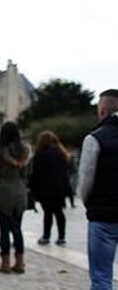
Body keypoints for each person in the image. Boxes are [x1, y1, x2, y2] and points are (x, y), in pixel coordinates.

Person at [78, 89, 118, 290]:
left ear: (102, 111)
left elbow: (85, 181)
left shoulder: (95, 139)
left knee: (101, 276)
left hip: (104, 214)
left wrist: (90, 204)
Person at [0, 121, 30, 274]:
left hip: (3, 191)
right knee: (17, 229)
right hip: (19, 191)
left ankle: (5, 263)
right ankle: (20, 263)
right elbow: (27, 174)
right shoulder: (25, 151)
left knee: (4, 230)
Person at [28, 131, 72, 246]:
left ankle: (46, 236)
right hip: (59, 188)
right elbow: (66, 173)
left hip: (45, 188)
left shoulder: (40, 154)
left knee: (48, 213)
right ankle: (61, 237)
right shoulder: (61, 153)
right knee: (59, 212)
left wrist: (32, 188)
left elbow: (35, 173)